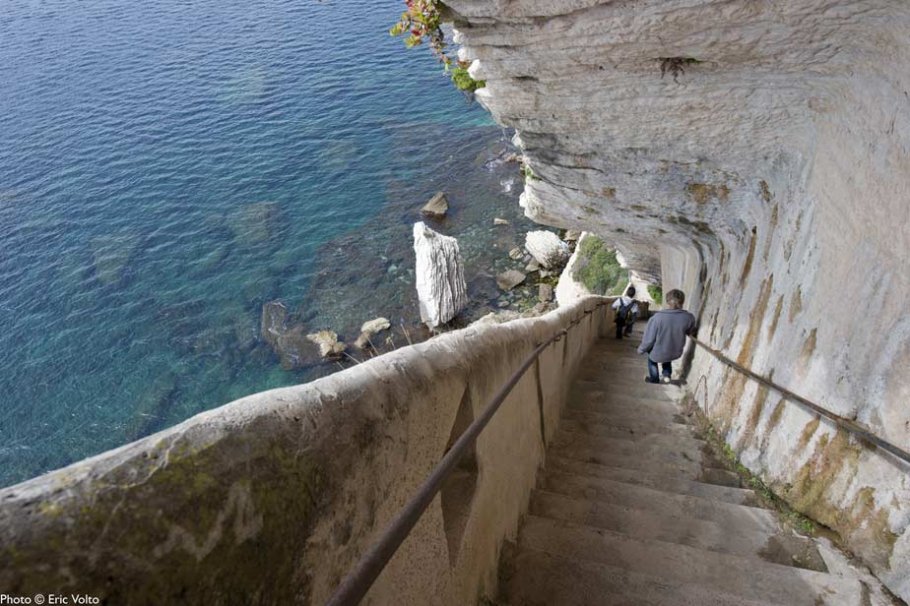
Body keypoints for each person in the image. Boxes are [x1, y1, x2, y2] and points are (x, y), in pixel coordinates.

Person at [637, 288, 696, 384]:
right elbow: (690, 331)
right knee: (667, 357)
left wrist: (641, 349)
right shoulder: (689, 317)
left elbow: (649, 340)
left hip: (658, 352)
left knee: (651, 359)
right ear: (682, 301)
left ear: (668, 301)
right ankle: (667, 374)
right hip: (675, 351)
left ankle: (654, 378)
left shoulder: (657, 318)